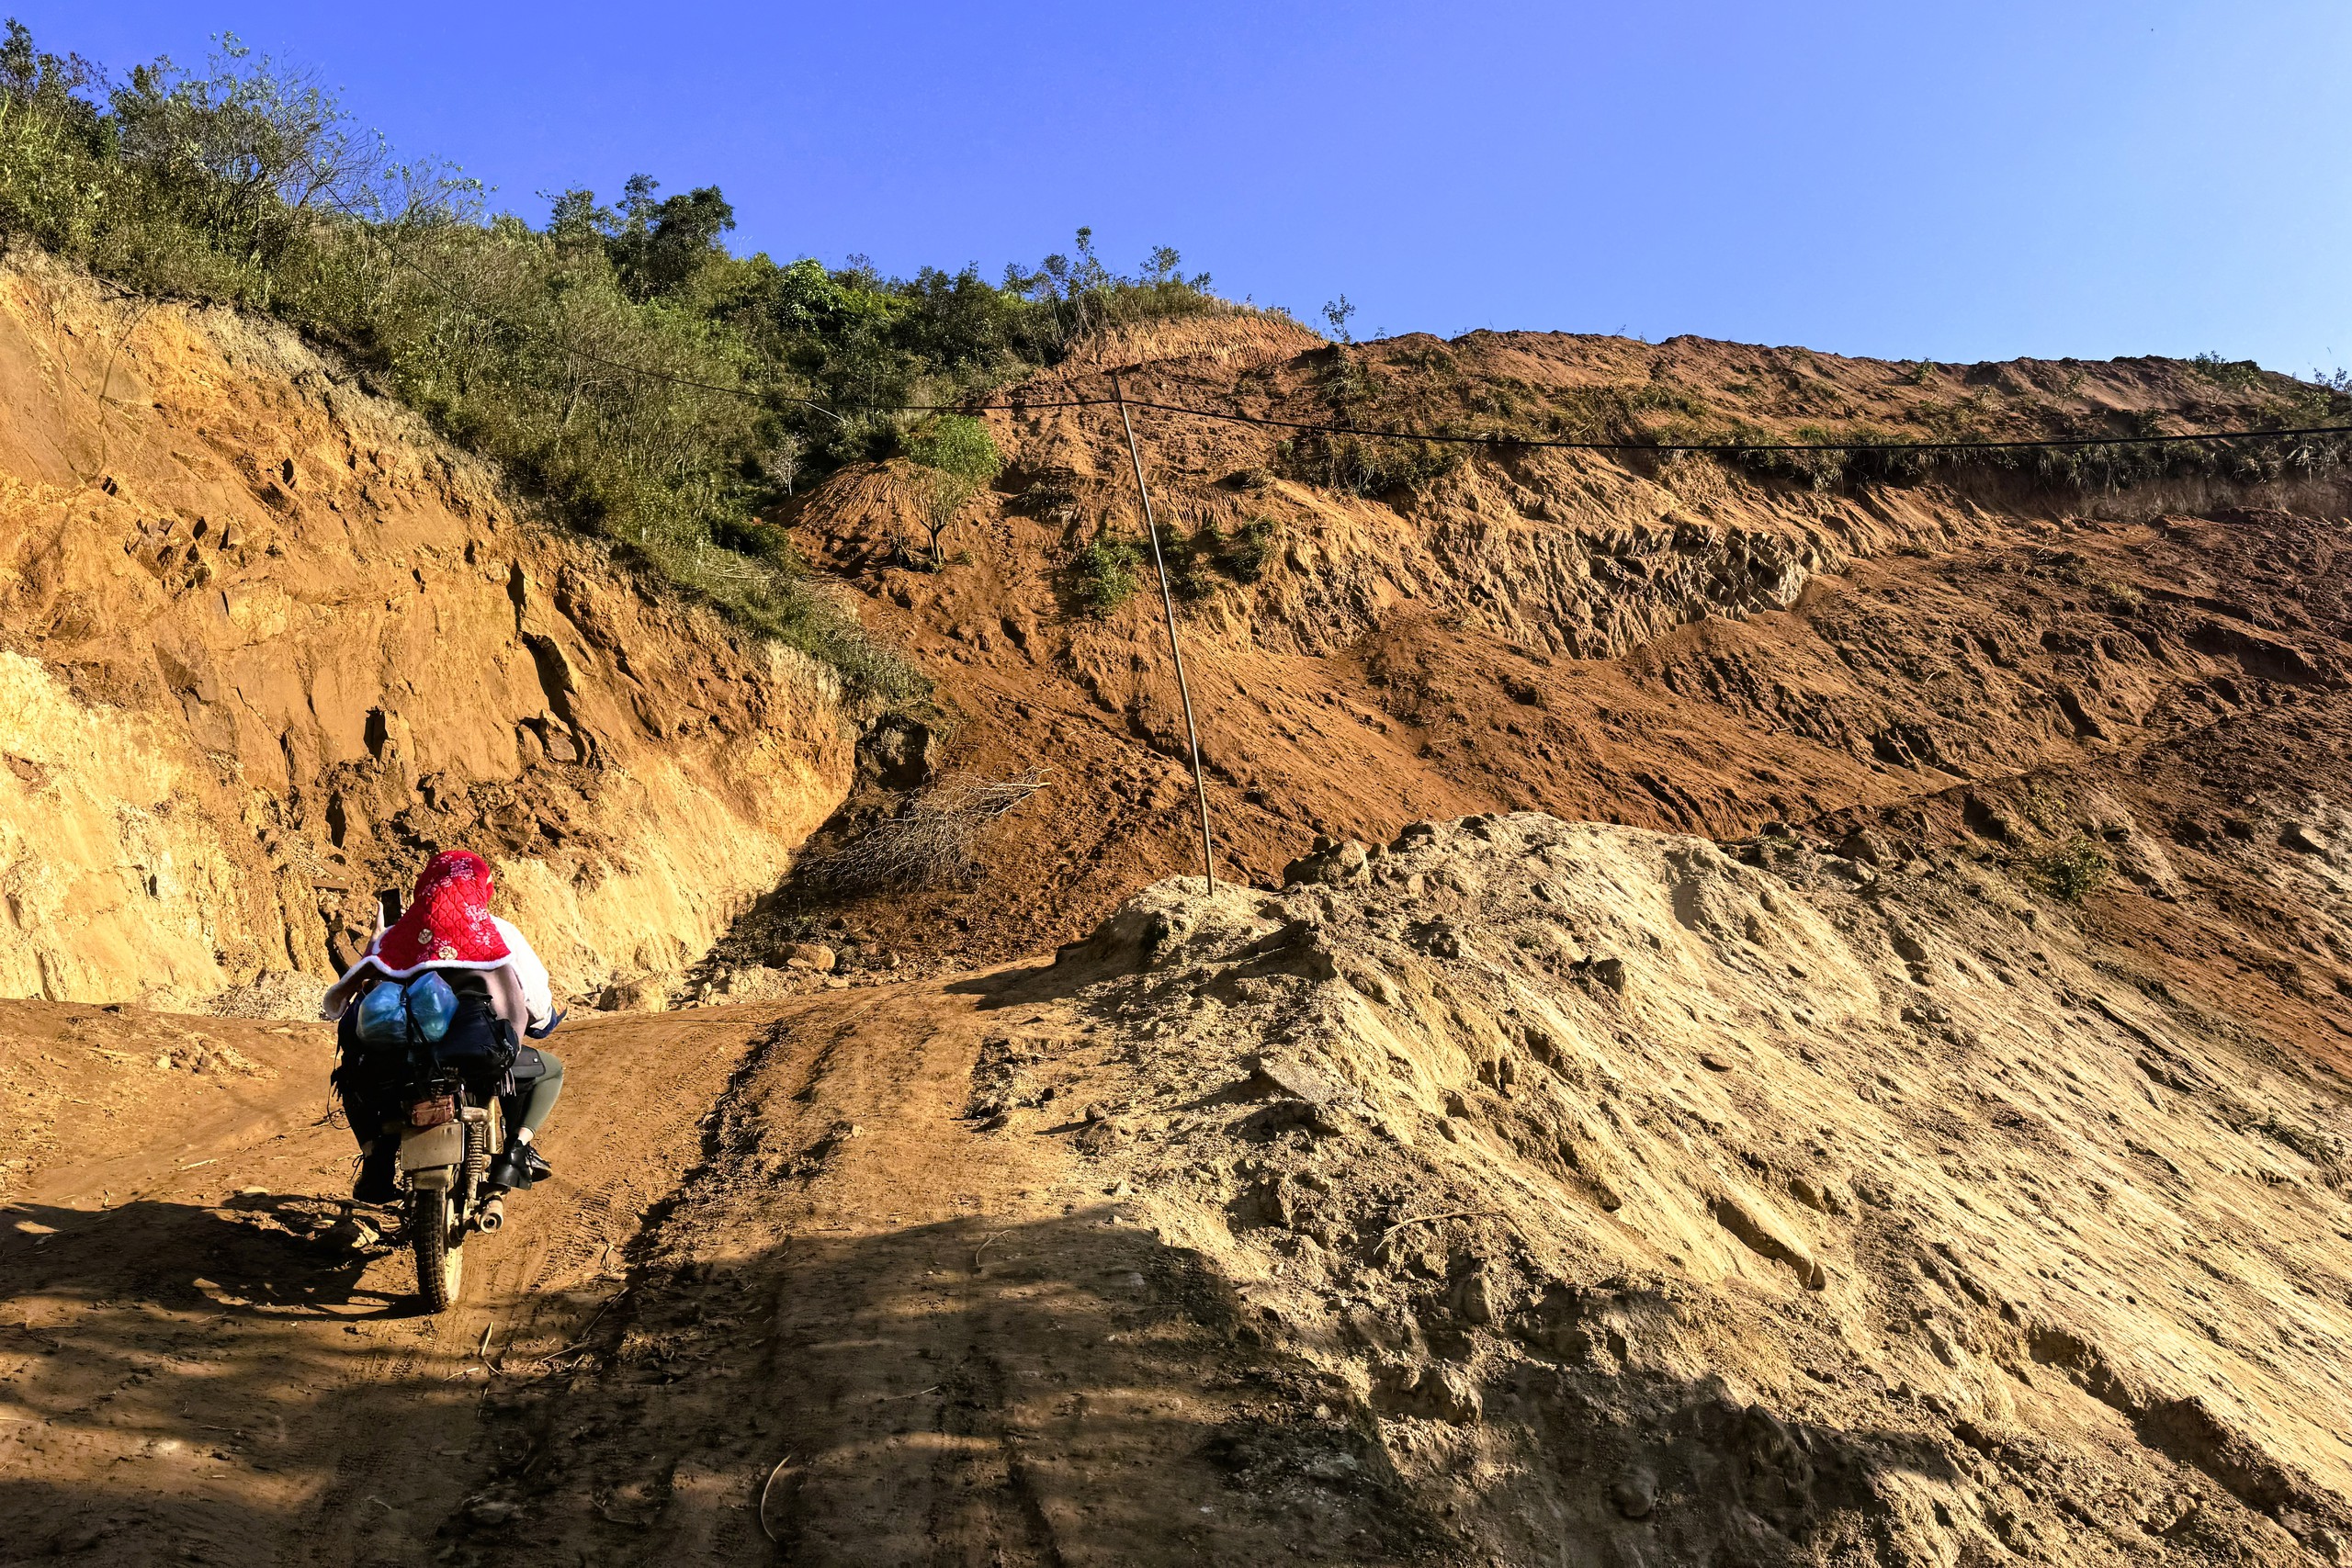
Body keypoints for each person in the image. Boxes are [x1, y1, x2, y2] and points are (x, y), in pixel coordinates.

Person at [322, 850, 565, 1205]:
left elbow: (360, 994)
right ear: (484, 888)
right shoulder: (499, 932)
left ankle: (376, 1159)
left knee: (352, 1079)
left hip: (401, 1062)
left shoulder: (396, 934)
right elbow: (536, 1002)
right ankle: (516, 1150)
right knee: (550, 1072)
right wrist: (542, 1022)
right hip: (477, 1057)